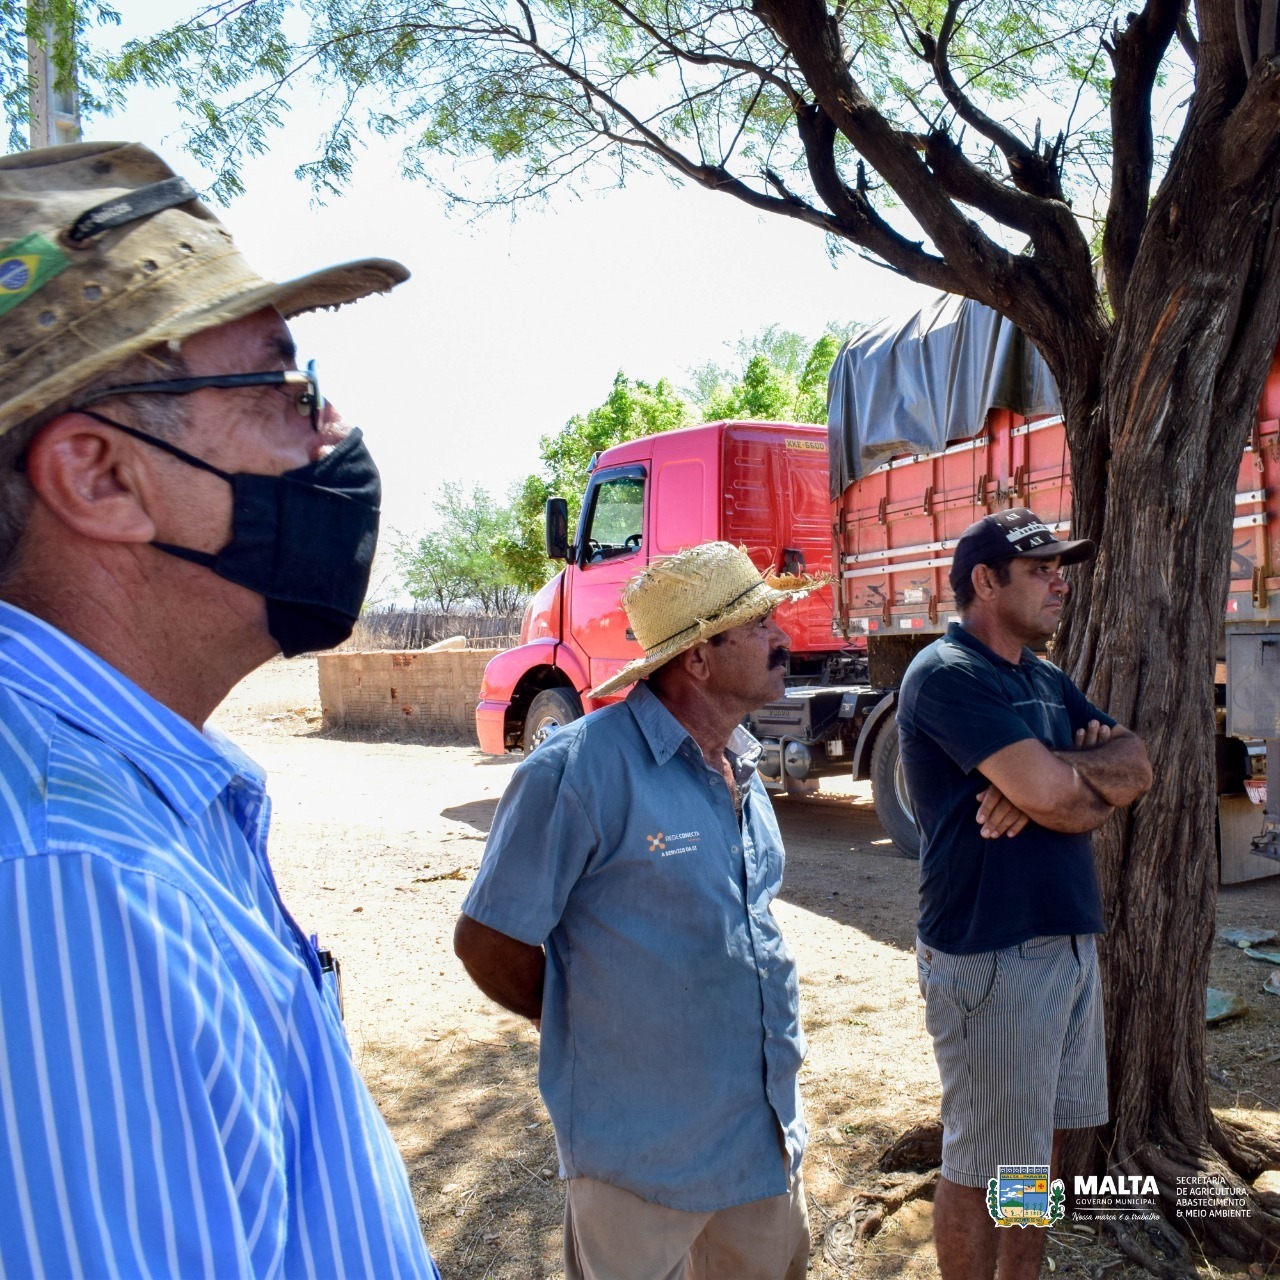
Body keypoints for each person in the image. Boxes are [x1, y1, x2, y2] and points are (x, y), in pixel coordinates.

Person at [0, 141, 440, 1279]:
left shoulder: (135, 792)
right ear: (100, 475)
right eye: (281, 384)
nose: (332, 429)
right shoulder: (70, 873)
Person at [454, 541, 815, 1280]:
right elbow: (488, 941)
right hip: (639, 1163)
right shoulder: (576, 770)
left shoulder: (739, 764)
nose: (783, 639)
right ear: (698, 660)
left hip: (759, 1148)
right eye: (758, 625)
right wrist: (586, 1015)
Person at [897, 507, 1153, 1280]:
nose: (1059, 583)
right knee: (978, 1163)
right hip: (993, 954)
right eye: (1040, 569)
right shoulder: (948, 675)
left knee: (1033, 1146)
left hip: (1066, 945)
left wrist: (1052, 779)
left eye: (1059, 568)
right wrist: (1059, 785)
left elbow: (1137, 762)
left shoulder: (1043, 677)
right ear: (985, 580)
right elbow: (1067, 799)